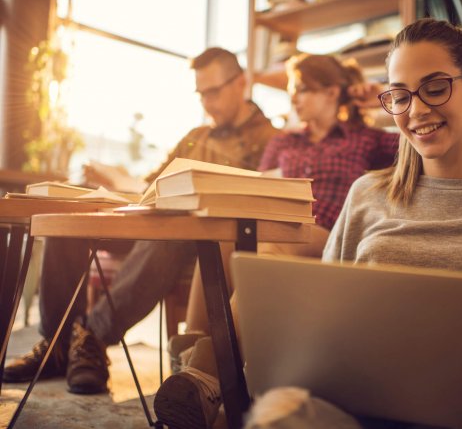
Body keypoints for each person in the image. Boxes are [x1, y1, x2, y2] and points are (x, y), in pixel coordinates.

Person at [242, 18, 462, 429]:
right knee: (276, 417)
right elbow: (321, 330)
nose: (417, 110)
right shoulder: (366, 195)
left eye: (436, 88)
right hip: (357, 403)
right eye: (400, 96)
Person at [3, 47, 278, 395]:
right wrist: (119, 181)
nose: (207, 102)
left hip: (203, 236)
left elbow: (255, 203)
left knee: (170, 231)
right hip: (153, 219)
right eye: (200, 93)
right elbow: (152, 183)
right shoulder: (196, 134)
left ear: (241, 83)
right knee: (73, 214)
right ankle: (59, 345)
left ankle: (90, 339)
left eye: (214, 92)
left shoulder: (272, 140)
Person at [152, 53, 399, 429]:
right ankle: (191, 369)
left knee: (270, 247)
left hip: (325, 234)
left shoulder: (366, 139)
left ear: (332, 91)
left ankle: (203, 370)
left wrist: (384, 96)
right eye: (291, 91)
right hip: (273, 225)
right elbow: (258, 187)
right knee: (218, 240)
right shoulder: (284, 141)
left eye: (302, 89)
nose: (294, 98)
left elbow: (417, 144)